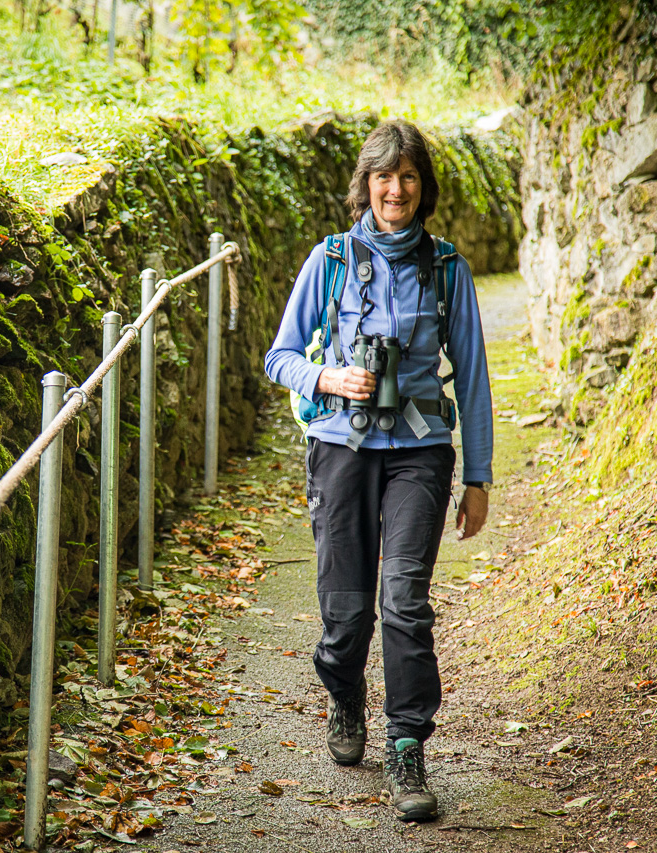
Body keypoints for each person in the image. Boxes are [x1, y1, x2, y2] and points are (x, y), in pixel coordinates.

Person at [263, 120, 493, 822]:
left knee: (404, 602)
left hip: (421, 452)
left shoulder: (447, 268)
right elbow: (280, 357)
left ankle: (406, 745)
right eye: (384, 176)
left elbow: (473, 378)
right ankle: (344, 693)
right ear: (366, 185)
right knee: (344, 613)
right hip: (340, 448)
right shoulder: (329, 260)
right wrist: (329, 376)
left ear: (423, 187)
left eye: (408, 177)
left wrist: (478, 477)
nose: (396, 189)